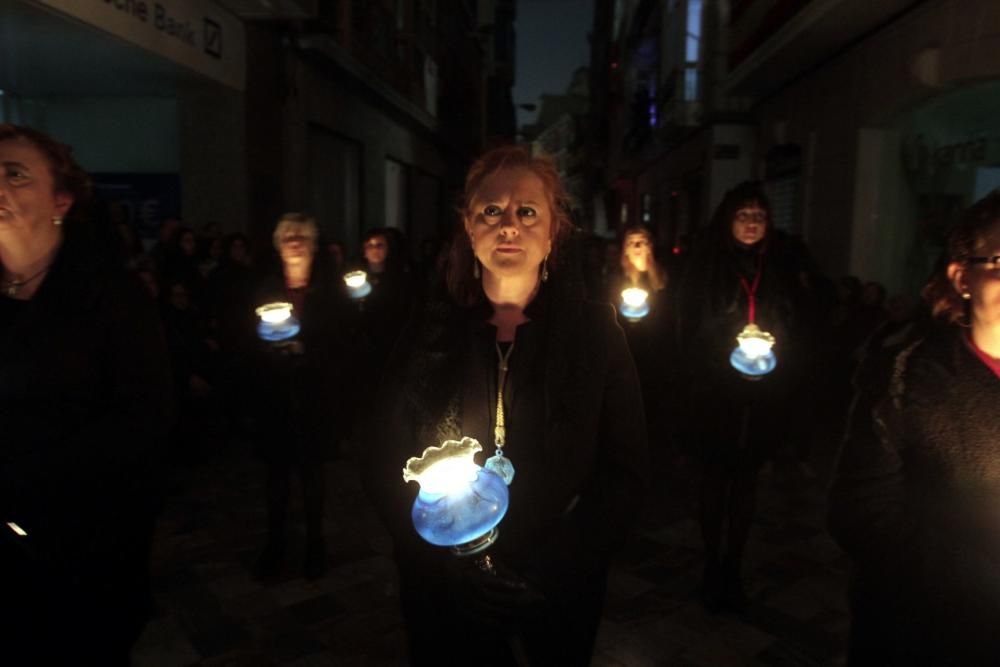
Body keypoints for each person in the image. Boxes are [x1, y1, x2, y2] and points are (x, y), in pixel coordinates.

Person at [363, 145, 648, 665]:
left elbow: (623, 470)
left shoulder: (595, 336)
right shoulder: (428, 331)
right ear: (469, 229)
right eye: (491, 211)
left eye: (527, 211)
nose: (509, 225)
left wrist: (556, 565)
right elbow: (384, 458)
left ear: (554, 231)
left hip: (556, 591)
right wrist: (448, 563)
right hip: (445, 598)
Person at [0, 123, 172, 663]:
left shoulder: (111, 299)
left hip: (82, 554)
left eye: (15, 174)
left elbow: (144, 422)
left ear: (62, 201)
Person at [829, 192, 1000, 664]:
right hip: (926, 632)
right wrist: (977, 580)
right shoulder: (904, 377)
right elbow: (861, 511)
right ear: (962, 276)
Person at [675, 181, 801, 613]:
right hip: (716, 393)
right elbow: (687, 325)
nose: (752, 223)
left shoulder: (779, 264)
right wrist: (722, 348)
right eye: (744, 215)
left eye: (760, 216)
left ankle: (734, 565)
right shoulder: (706, 265)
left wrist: (773, 343)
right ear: (728, 220)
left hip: (762, 394)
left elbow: (795, 318)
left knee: (746, 481)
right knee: (715, 477)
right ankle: (712, 562)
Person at [253, 213, 344, 580]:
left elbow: (342, 340)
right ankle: (275, 544)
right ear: (277, 244)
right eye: (287, 234)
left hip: (313, 397)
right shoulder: (265, 288)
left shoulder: (329, 290)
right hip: (274, 396)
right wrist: (271, 352)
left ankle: (314, 545)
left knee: (312, 475)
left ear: (312, 244)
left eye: (301, 235)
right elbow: (246, 335)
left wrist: (307, 350)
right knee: (276, 475)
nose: (293, 239)